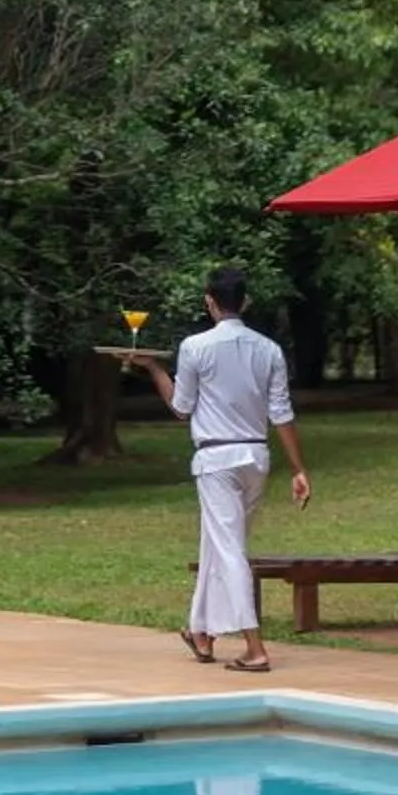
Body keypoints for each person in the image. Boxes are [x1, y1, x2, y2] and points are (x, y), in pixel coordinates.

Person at [126, 265, 309, 672]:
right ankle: (202, 632)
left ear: (209, 301)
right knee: (218, 544)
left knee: (228, 551)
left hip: (217, 460)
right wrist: (299, 469)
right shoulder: (269, 349)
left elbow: (181, 407)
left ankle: (254, 647)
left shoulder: (195, 347)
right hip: (256, 457)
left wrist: (154, 369)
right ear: (246, 301)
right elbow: (282, 412)